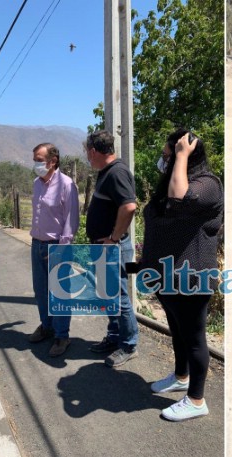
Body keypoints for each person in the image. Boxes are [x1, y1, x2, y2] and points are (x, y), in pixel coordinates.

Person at [141, 129, 224, 421]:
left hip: (191, 277)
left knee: (194, 337)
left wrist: (180, 154)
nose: (164, 160)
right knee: (177, 329)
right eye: (167, 155)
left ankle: (196, 400)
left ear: (186, 155)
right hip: (166, 275)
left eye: (168, 154)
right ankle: (181, 376)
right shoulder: (174, 180)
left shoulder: (208, 185)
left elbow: (180, 198)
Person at [85, 130, 139, 367]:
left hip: (111, 246)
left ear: (93, 151)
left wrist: (114, 238)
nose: (87, 156)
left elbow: (129, 207)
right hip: (103, 245)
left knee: (119, 298)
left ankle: (128, 345)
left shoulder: (116, 172)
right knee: (109, 296)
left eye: (87, 152)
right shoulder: (107, 172)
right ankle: (115, 336)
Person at [28, 143, 80, 357]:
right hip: (37, 244)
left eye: (39, 160)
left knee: (59, 293)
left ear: (53, 160)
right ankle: (46, 326)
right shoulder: (36, 184)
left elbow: (71, 219)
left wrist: (62, 248)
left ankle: (62, 336)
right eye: (35, 160)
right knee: (41, 291)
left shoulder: (67, 184)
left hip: (57, 245)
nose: (36, 164)